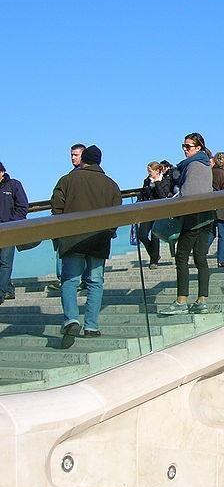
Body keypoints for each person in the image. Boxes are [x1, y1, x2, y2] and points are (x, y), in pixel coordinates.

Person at [50, 145, 122, 348]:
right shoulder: (111, 184)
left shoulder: (67, 179)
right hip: (99, 239)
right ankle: (91, 326)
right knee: (95, 282)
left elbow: (56, 207)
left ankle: (72, 319)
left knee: (70, 281)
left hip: (72, 238)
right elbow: (117, 212)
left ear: (84, 160)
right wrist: (110, 231)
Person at [160, 133, 214, 316]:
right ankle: (202, 300)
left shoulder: (194, 166)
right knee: (200, 258)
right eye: (183, 145)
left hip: (193, 219)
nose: (184, 148)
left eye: (188, 146)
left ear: (198, 148)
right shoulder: (205, 164)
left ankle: (181, 301)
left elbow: (189, 194)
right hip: (206, 217)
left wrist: (174, 208)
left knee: (182, 257)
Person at [47, 143, 88, 293]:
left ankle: (73, 279)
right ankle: (72, 279)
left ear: (83, 156)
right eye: (71, 155)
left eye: (75, 155)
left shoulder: (80, 177)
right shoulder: (69, 177)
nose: (72, 158)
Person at [0, 162, 29, 304]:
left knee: (5, 262)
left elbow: (23, 207)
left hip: (9, 230)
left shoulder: (13, 185)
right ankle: (9, 289)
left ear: (2, 172)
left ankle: (1, 292)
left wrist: (13, 223)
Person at [136, 161, 173, 269]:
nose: (149, 173)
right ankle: (154, 254)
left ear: (157, 171)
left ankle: (154, 260)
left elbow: (163, 196)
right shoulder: (146, 181)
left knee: (154, 235)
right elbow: (144, 195)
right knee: (142, 234)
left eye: (150, 171)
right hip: (147, 211)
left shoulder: (165, 180)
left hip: (160, 211)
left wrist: (156, 183)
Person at [209, 152, 224, 268]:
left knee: (210, 233)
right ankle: (221, 260)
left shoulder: (209, 173)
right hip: (221, 208)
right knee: (222, 235)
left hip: (209, 206)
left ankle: (201, 253)